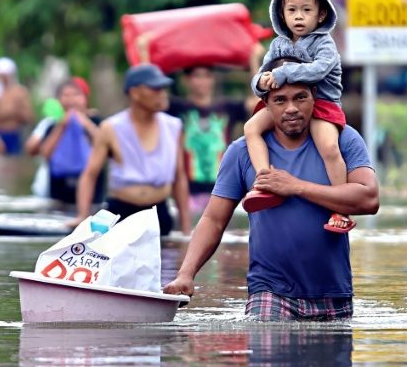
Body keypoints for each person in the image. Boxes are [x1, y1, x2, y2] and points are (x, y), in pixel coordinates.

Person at [163, 76, 380, 321]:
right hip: (269, 292)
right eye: (280, 100)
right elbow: (213, 219)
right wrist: (186, 273)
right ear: (265, 104)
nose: (291, 108)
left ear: (315, 97)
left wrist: (297, 186)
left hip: (333, 292)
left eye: (300, 97)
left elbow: (369, 199)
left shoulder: (341, 139)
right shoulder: (242, 151)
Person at [242, 0, 353, 234]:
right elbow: (262, 74)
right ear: (282, 13)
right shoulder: (279, 44)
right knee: (251, 128)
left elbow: (318, 70)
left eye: (306, 10)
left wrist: (282, 75)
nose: (299, 17)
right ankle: (264, 181)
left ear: (321, 14)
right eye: (292, 11)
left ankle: (341, 208)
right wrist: (261, 83)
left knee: (328, 146)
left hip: (322, 104)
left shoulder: (324, 42)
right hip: (286, 104)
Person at [74, 63, 192, 236]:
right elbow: (90, 174)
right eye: (155, 89)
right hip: (120, 213)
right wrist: (82, 217)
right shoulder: (111, 128)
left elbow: (179, 177)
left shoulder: (173, 127)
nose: (162, 94)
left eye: (163, 89)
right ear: (135, 93)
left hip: (158, 213)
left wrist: (186, 229)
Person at [166, 65, 255, 216]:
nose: (202, 81)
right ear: (186, 80)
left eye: (207, 75)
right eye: (197, 76)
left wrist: (253, 61)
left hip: (223, 191)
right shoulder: (177, 108)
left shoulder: (226, 107)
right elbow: (149, 92)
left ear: (213, 79)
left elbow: (258, 103)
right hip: (187, 193)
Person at [25, 77, 105, 207]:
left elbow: (103, 145)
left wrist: (85, 123)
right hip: (59, 194)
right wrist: (62, 126)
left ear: (85, 99)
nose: (71, 100)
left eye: (76, 95)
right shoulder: (53, 125)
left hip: (92, 195)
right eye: (66, 95)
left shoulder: (97, 122)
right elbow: (45, 153)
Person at [0, 57, 34, 155]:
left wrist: (15, 110)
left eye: (6, 75)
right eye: (2, 75)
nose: (4, 78)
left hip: (15, 134)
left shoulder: (20, 92)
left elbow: (29, 116)